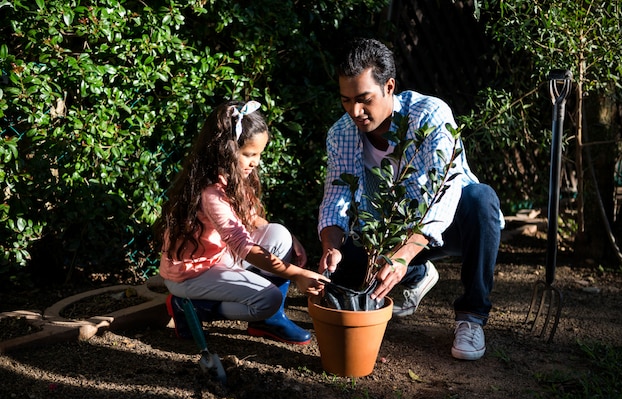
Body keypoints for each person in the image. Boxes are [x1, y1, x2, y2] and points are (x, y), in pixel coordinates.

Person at [317, 38, 504, 360]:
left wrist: (404, 254)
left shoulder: (429, 115)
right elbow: (337, 194)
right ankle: (419, 274)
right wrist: (331, 246)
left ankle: (472, 316)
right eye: (346, 101)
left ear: (389, 86)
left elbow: (444, 191)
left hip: (450, 227)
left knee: (481, 198)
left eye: (364, 99)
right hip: (387, 234)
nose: (355, 112)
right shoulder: (341, 133)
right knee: (343, 276)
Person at [156, 100, 327, 345]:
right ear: (225, 150)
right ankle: (190, 307)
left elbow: (249, 219)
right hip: (190, 275)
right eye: (249, 154)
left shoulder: (233, 176)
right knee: (268, 300)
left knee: (279, 234)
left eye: (258, 154)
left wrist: (291, 239)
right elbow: (242, 246)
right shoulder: (211, 192)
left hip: (216, 257)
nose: (255, 162)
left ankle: (267, 322)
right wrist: (297, 273)